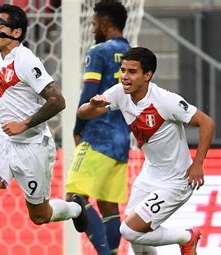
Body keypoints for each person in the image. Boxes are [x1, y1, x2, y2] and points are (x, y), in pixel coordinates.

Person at [0, 4, 88, 255]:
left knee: (39, 215)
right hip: (2, 141)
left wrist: (24, 124)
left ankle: (76, 208)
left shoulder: (26, 61)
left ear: (16, 33)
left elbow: (58, 101)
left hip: (32, 147)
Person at [77, 47, 215, 255]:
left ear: (147, 75)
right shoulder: (119, 93)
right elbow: (83, 114)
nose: (124, 76)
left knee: (129, 230)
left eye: (132, 72)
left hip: (176, 180)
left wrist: (198, 163)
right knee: (138, 241)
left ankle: (187, 237)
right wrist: (92, 105)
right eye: (123, 70)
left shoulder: (165, 100)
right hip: (150, 174)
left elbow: (207, 123)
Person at [65, 1, 130, 254]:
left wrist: (78, 127)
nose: (92, 29)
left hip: (98, 136)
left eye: (93, 24)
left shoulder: (99, 51)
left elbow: (89, 94)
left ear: (104, 22)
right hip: (122, 140)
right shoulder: (134, 54)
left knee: (74, 197)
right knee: (109, 207)